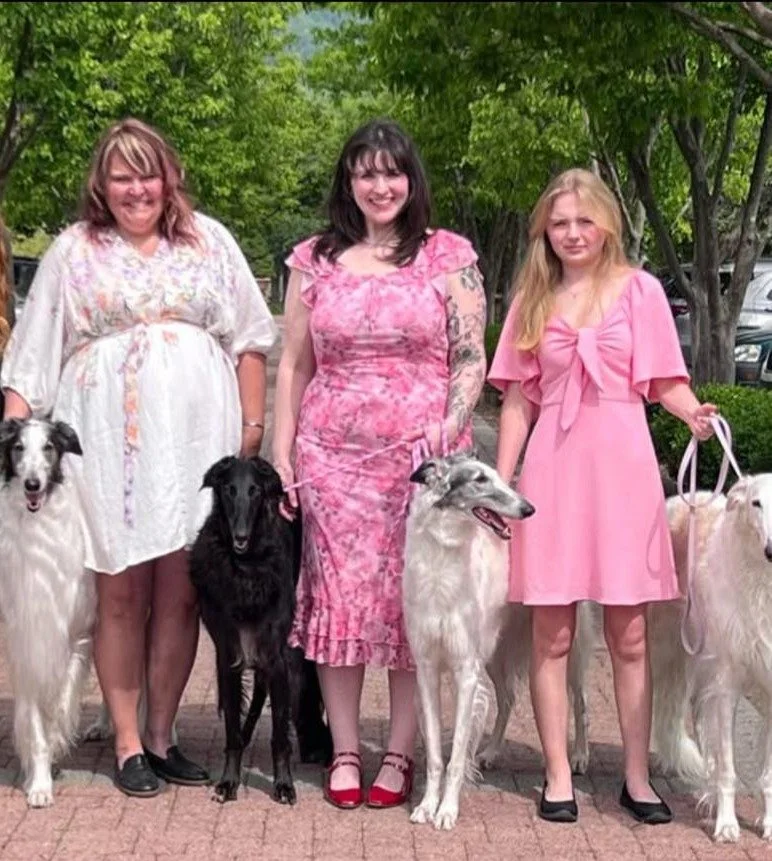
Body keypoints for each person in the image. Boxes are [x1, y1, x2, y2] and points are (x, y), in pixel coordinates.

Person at [1, 117, 278, 797]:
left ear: (168, 177)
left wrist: (250, 428)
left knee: (183, 590)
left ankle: (162, 734)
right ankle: (126, 742)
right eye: (121, 175)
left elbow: (250, 337)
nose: (135, 188)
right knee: (120, 589)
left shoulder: (209, 240)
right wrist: (13, 443)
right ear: (102, 183)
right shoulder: (73, 250)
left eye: (146, 173)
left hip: (195, 443)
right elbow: (32, 354)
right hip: (107, 445)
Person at [488, 168, 716, 825]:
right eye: (560, 223)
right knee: (551, 631)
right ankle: (557, 773)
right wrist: (502, 482)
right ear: (545, 231)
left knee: (631, 632)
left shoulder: (640, 291)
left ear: (607, 223)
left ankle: (638, 778)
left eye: (584, 220)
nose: (572, 233)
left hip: (624, 470)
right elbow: (518, 401)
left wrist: (691, 413)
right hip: (553, 474)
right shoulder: (534, 295)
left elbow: (664, 379)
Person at [273, 118, 487, 810]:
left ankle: (399, 750)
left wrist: (449, 426)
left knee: (409, 607)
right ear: (348, 182)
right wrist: (281, 448)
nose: (380, 185)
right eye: (366, 172)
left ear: (411, 179)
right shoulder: (313, 260)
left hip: (422, 464)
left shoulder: (446, 255)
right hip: (331, 459)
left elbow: (470, 355)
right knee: (337, 603)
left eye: (391, 172)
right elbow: (295, 364)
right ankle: (342, 747)